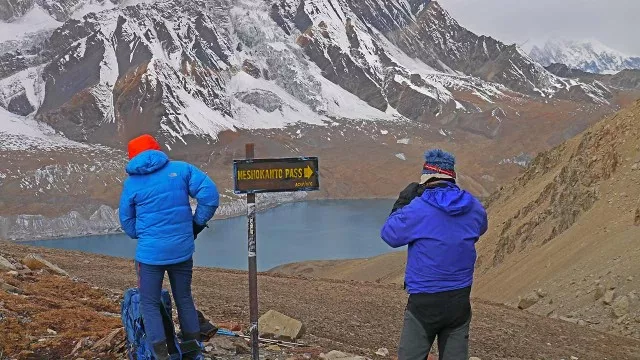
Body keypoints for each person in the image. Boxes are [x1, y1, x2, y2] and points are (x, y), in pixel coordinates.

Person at [380, 149, 488, 360]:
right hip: (460, 299)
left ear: (426, 178)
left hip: (424, 301)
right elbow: (480, 228)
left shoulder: (418, 208)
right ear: (451, 176)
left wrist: (402, 203)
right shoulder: (474, 207)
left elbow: (389, 235)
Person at [119, 134, 219, 360]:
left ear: (132, 156)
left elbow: (126, 220)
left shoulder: (131, 183)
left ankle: (161, 355)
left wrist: (141, 234)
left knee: (150, 303)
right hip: (182, 250)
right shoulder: (182, 170)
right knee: (183, 297)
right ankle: (193, 349)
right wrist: (196, 225)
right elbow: (210, 196)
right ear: (157, 149)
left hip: (150, 255)